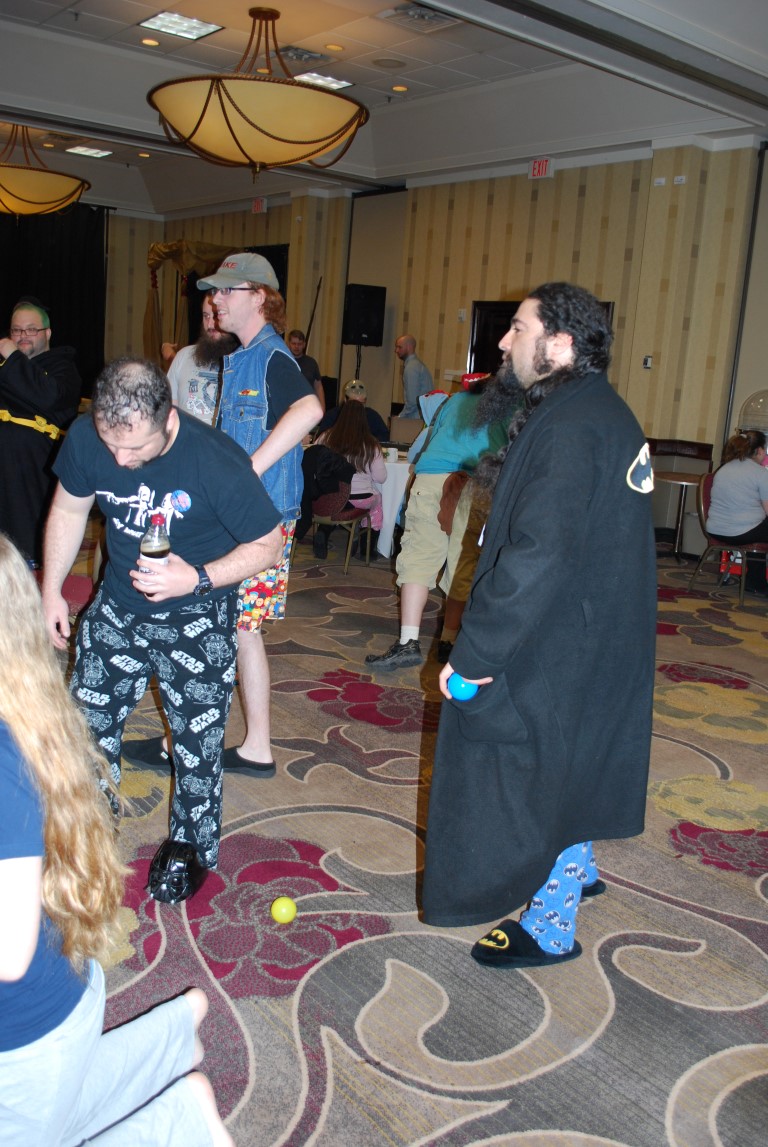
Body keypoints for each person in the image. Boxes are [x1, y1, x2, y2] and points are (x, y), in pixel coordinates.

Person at [421, 282, 656, 970]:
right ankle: (577, 861)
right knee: (572, 758)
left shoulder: (572, 426)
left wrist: (475, 655)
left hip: (558, 638)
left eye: (517, 328)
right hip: (595, 629)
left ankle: (551, 924)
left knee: (530, 772)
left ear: (561, 343)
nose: (503, 341)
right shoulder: (597, 410)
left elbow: (536, 556)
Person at [0, 535, 233, 1146]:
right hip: (61, 997)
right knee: (53, 1106)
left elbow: (8, 954)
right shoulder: (30, 712)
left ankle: (174, 1126)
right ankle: (172, 1040)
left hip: (28, 1023)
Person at [41, 357, 283, 901]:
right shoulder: (87, 437)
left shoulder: (215, 459)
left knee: (196, 745)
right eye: (111, 445)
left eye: (135, 448)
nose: (120, 461)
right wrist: (51, 588)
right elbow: (70, 510)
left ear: (168, 418)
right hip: (118, 609)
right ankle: (89, 831)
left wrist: (196, 578)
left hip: (197, 615)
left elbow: (268, 544)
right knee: (86, 729)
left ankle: (191, 846)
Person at [198, 252, 323, 773]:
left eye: (227, 290)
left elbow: (311, 410)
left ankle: (238, 742)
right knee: (237, 628)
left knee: (235, 627)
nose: (216, 299)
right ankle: (252, 745)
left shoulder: (272, 357)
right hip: (244, 516)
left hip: (262, 520)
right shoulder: (243, 357)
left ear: (260, 297)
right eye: (215, 290)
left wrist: (248, 469)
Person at [364, 376, 510, 670]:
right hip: (478, 484)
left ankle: (408, 642)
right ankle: (449, 641)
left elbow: (433, 437)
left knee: (418, 558)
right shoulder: (510, 404)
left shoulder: (454, 402)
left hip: (432, 478)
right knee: (464, 566)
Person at [0, 297, 81, 567]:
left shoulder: (63, 368)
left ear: (47, 333)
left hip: (32, 468)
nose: (22, 336)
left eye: (31, 329)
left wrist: (13, 358)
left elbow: (48, 397)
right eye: (16, 330)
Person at [314, 398, 388, 559]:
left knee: (337, 503)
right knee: (377, 503)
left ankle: (324, 530)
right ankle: (367, 550)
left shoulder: (325, 437)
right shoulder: (371, 444)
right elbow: (381, 478)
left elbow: (313, 460)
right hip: (360, 499)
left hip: (329, 496)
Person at [705, 428, 768, 594]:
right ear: (760, 451)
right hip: (741, 532)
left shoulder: (724, 469)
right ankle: (755, 582)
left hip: (716, 529)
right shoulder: (761, 473)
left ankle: (755, 581)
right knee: (761, 528)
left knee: (759, 529)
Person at [167, 296, 239, 424]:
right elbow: (168, 415)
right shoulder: (183, 356)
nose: (210, 324)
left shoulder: (245, 360)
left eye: (216, 316)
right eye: (206, 316)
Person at [316, 378, 390, 441]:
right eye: (353, 403)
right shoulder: (333, 415)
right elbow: (322, 437)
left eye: (361, 404)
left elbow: (384, 437)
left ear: (365, 401)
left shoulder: (372, 416)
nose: (356, 408)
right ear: (345, 400)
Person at [287, 328, 325, 413]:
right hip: (288, 408)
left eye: (299, 344)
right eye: (294, 343)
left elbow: (318, 386)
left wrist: (322, 408)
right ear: (289, 344)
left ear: (304, 344)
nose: (296, 347)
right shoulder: (284, 362)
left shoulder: (311, 363)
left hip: (308, 407)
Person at [395, 333, 433, 419]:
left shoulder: (411, 368)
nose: (396, 350)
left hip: (415, 418)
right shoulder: (418, 365)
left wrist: (400, 417)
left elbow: (412, 401)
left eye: (399, 347)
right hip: (423, 416)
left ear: (409, 347)